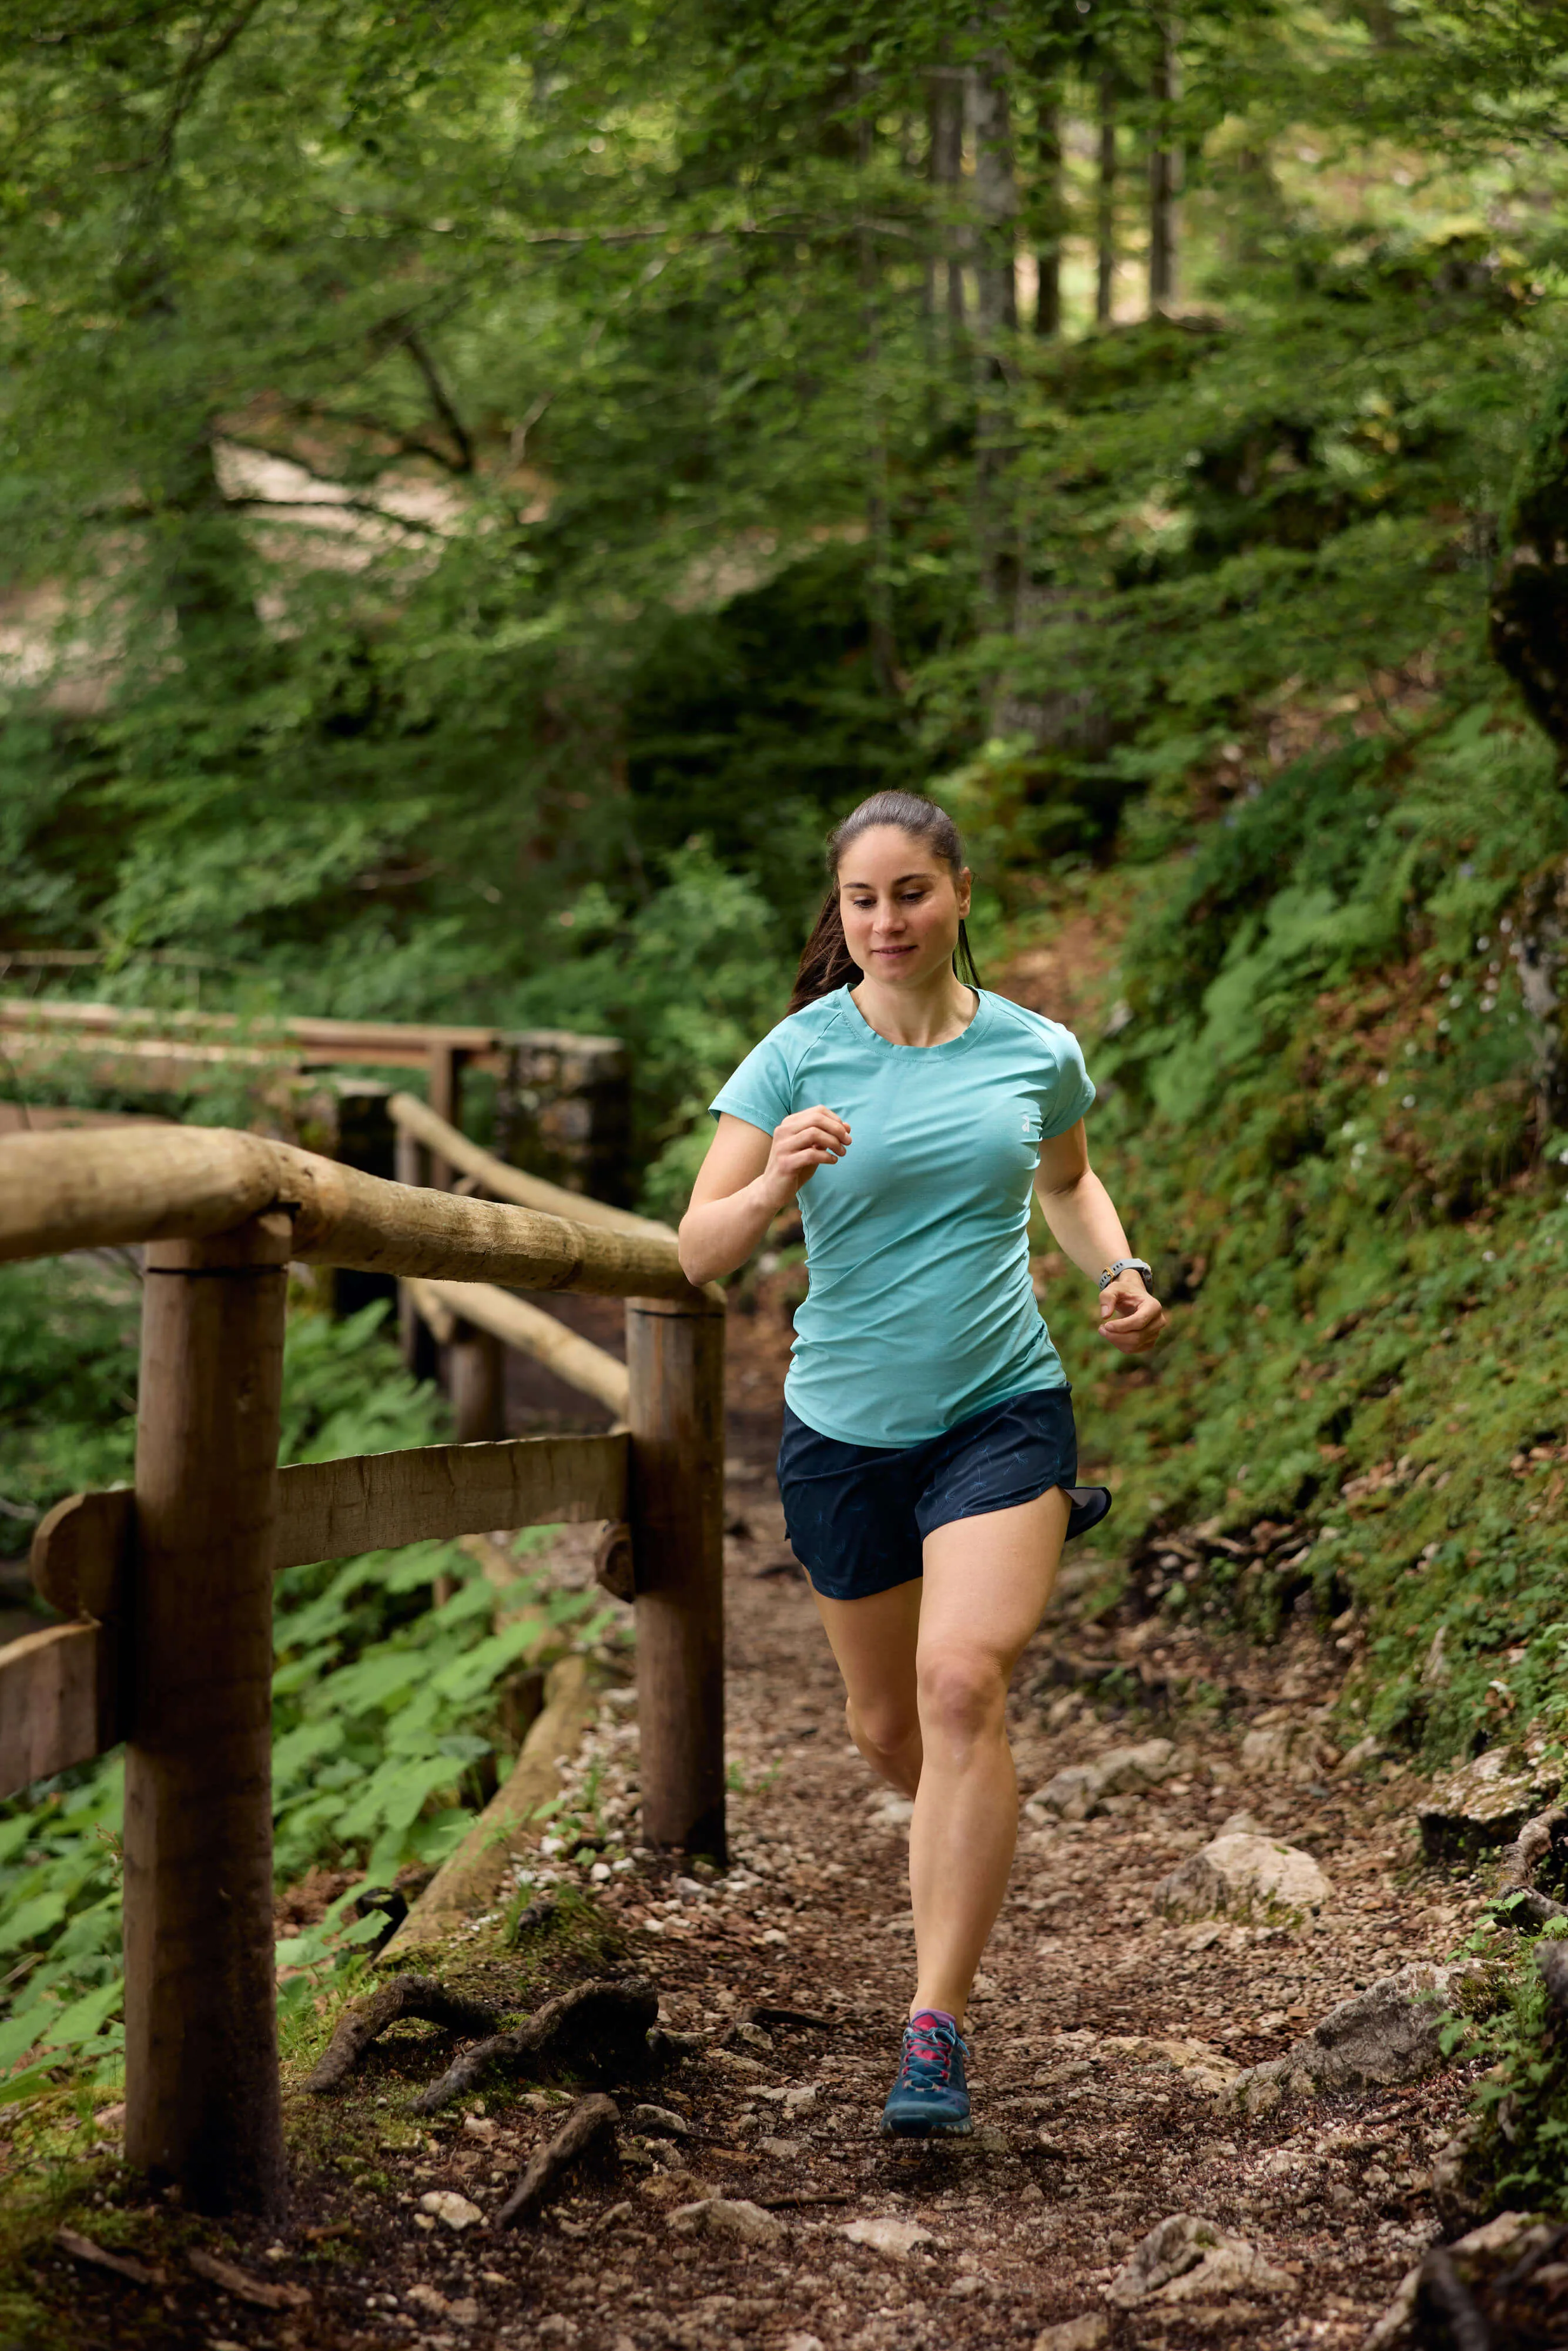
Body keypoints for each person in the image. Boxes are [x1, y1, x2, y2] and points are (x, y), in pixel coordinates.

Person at [678, 790, 1166, 2138]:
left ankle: (932, 2028)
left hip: (1000, 1410)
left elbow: (1065, 1180)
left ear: (956, 893)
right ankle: (970, 1820)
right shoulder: (791, 1056)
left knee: (960, 1684)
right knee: (890, 1727)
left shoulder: (1032, 1048)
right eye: (859, 899)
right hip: (842, 1433)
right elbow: (693, 1249)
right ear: (836, 916)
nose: (884, 920)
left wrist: (1114, 1270)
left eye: (909, 892)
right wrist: (772, 1179)